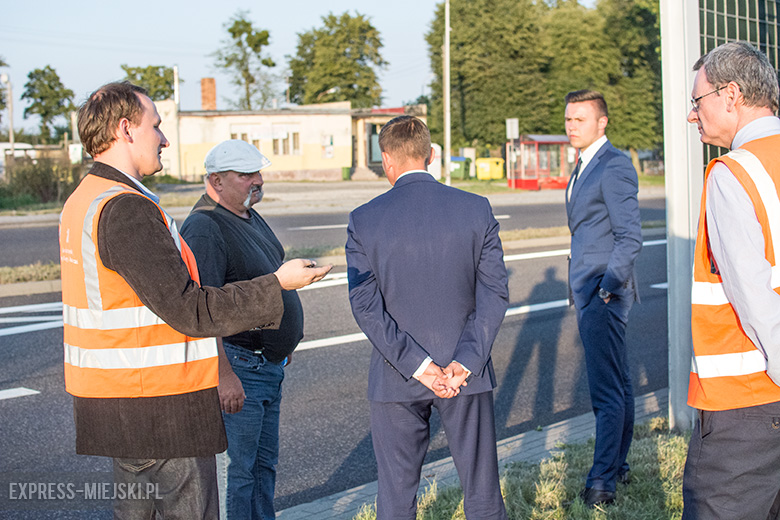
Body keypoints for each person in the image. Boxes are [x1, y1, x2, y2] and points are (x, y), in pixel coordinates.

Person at [59, 81, 330, 519]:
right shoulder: (126, 208)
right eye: (157, 125)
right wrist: (277, 285)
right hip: (158, 408)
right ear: (126, 129)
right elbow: (191, 308)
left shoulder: (85, 199)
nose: (165, 138)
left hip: (123, 401)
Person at [346, 115, 509, 520]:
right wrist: (465, 362)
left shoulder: (363, 219)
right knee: (483, 492)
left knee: (397, 497)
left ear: (386, 160)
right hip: (464, 373)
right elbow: (494, 294)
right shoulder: (476, 208)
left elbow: (366, 306)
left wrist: (418, 366)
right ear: (431, 155)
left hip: (396, 375)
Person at [180, 140, 311, 519]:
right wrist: (222, 375)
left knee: (261, 468)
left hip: (265, 364)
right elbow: (202, 310)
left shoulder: (247, 214)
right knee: (237, 475)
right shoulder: (205, 227)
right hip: (240, 368)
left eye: (258, 172)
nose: (257, 180)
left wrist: (284, 337)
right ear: (216, 181)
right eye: (246, 174)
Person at [682, 41, 780, 519]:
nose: (691, 115)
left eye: (697, 102)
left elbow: (755, 297)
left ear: (732, 94)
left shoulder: (732, 174)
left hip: (749, 402)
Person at [564, 89, 642, 507]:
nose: (571, 126)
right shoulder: (582, 166)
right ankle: (618, 468)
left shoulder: (613, 165)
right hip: (590, 285)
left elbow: (630, 236)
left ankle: (602, 483)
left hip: (603, 290)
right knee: (620, 384)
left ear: (602, 122)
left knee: (605, 392)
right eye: (568, 119)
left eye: (579, 119)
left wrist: (607, 288)